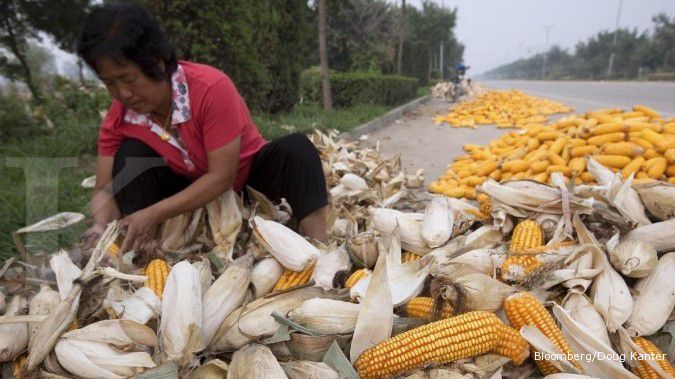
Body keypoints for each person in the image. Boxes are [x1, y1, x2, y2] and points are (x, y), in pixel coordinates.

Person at [78, 3, 329, 254]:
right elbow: (104, 188)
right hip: (187, 194)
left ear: (158, 63)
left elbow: (222, 177)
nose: (123, 93)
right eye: (110, 83)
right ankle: (145, 253)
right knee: (130, 154)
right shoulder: (120, 116)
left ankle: (319, 250)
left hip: (246, 181)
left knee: (298, 149)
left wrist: (154, 213)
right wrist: (100, 225)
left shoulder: (210, 88)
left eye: (129, 79)